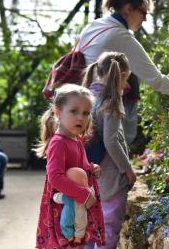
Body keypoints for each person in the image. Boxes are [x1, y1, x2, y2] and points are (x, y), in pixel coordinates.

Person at [76, 0, 169, 145]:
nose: (145, 19)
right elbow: (157, 81)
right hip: (101, 107)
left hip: (79, 102)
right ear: (128, 9)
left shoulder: (95, 25)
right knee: (113, 152)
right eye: (144, 12)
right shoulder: (121, 36)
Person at [34, 84, 105, 249]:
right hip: (65, 207)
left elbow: (80, 166)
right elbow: (55, 177)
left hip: (78, 205)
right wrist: (84, 195)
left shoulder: (76, 140)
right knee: (68, 242)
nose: (81, 117)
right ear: (58, 111)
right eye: (74, 111)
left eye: (86, 113)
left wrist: (92, 168)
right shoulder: (58, 142)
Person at [82, 52, 136, 249]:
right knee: (108, 228)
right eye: (126, 79)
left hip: (87, 176)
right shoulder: (110, 101)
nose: (126, 85)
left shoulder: (87, 96)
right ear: (120, 75)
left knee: (88, 227)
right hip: (110, 178)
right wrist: (127, 169)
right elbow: (112, 140)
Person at [53, 167, 93, 244]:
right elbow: (57, 198)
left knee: (68, 224)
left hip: (72, 215)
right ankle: (74, 237)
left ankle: (73, 237)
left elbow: (56, 198)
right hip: (76, 215)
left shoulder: (69, 195)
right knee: (78, 225)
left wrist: (54, 196)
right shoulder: (84, 193)